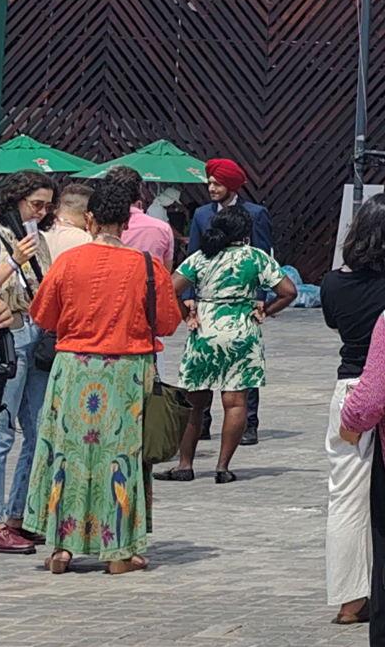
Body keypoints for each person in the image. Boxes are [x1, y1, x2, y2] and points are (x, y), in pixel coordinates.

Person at [24, 176, 183, 575]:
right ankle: (118, 550)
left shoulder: (68, 262)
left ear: (90, 219)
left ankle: (62, 547)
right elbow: (167, 323)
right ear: (126, 223)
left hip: (73, 369)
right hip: (126, 373)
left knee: (66, 455)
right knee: (121, 458)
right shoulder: (147, 267)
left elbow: (42, 315)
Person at [319, 192, 385, 623]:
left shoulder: (333, 284)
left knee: (345, 496)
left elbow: (334, 323)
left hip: (351, 387)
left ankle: (349, 599)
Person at [164, 206, 293, 484]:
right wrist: (266, 311)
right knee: (235, 403)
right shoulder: (256, 258)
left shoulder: (201, 257)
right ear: (245, 232)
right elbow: (288, 291)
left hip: (205, 332)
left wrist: (187, 314)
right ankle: (222, 468)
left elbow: (170, 288)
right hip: (242, 332)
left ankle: (185, 465)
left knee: (194, 403)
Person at [0, 170, 55, 555]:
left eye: (47, 206)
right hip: (8, 335)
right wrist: (13, 261)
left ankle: (18, 514)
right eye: (36, 204)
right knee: (0, 431)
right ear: (16, 198)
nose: (41, 212)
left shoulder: (37, 237)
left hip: (37, 331)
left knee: (40, 428)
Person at [189, 158, 272, 444]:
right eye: (210, 182)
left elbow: (263, 257)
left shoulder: (255, 214)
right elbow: (193, 255)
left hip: (242, 300)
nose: (211, 188)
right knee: (203, 361)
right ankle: (203, 422)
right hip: (208, 300)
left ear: (232, 186)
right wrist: (189, 298)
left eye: (217, 183)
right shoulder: (201, 214)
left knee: (244, 362)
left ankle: (249, 423)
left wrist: (260, 298)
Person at [102, 166, 174, 269]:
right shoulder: (162, 228)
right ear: (139, 192)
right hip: (149, 278)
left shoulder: (97, 227)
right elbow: (166, 269)